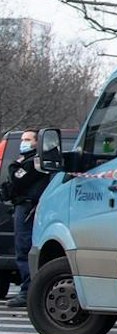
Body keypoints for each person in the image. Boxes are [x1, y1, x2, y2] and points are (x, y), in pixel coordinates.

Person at [5, 132, 50, 308]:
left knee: (24, 249)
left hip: (28, 209)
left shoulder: (33, 162)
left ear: (37, 143)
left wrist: (14, 166)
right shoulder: (28, 160)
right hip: (24, 207)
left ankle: (27, 292)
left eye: (28, 139)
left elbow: (18, 180)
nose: (23, 142)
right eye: (23, 139)